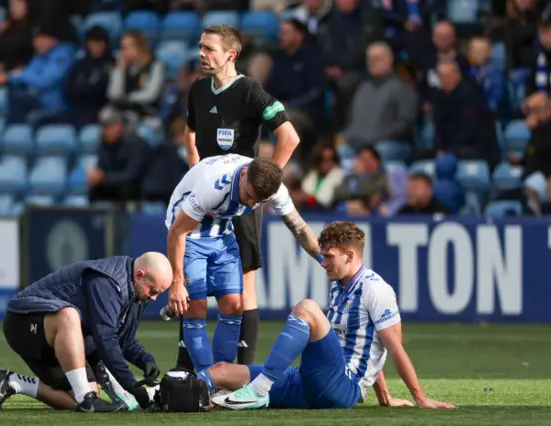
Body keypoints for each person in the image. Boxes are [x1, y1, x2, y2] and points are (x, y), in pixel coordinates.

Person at [204, 221, 455, 411]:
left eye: (329, 256)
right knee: (221, 371)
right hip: (312, 381)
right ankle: (171, 393)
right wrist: (385, 399)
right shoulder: (340, 286)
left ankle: (259, 389)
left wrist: (420, 399)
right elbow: (365, 346)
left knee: (307, 308)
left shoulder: (376, 289)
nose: (323, 262)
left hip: (342, 387)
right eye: (322, 256)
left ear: (350, 256)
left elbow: (393, 347)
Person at [178, 23, 301, 372]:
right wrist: (194, 172)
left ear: (231, 54)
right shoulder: (199, 90)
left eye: (209, 49)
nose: (202, 53)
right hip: (203, 200)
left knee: (245, 282)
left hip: (241, 200)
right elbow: (189, 131)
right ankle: (189, 366)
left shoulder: (249, 91)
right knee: (193, 281)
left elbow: (288, 138)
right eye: (200, 46)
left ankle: (242, 372)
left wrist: (264, 186)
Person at [165, 154, 322, 376]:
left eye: (259, 201)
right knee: (196, 307)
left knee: (234, 305)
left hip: (222, 231)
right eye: (249, 196)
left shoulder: (272, 186)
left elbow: (299, 227)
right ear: (244, 173)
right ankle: (204, 378)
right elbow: (177, 231)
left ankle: (222, 377)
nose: (251, 203)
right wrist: (177, 282)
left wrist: (322, 259)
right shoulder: (213, 185)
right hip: (189, 234)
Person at [0, 252, 172, 412]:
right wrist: (132, 386)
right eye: (153, 290)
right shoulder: (107, 282)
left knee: (80, 398)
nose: (154, 297)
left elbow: (123, 339)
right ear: (139, 275)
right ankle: (87, 393)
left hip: (59, 338)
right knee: (69, 315)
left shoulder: (135, 292)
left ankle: (13, 382)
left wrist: (145, 360)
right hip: (21, 321)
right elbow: (106, 338)